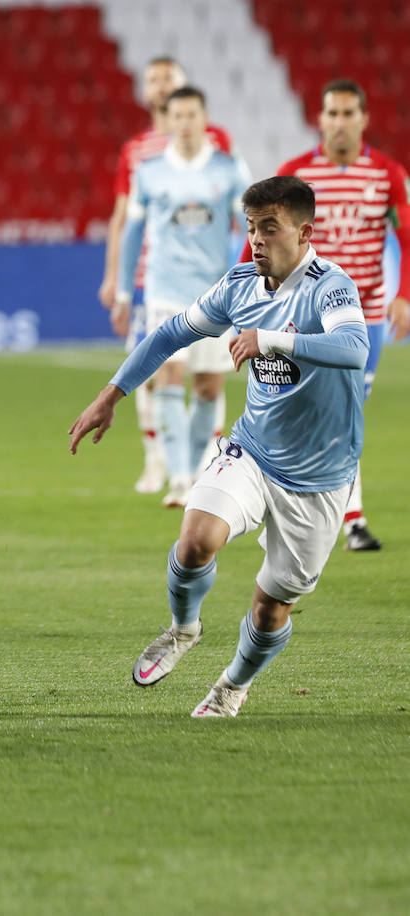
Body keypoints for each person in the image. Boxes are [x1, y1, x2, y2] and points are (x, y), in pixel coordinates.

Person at [70, 175, 367, 717]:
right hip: (254, 452)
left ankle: (232, 684)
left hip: (321, 477)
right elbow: (169, 335)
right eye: (251, 227)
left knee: (272, 606)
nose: (256, 240)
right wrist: (110, 395)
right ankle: (184, 629)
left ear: (304, 233)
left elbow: (353, 346)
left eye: (269, 229)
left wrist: (271, 339)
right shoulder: (239, 285)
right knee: (194, 542)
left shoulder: (331, 286)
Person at [266, 79, 410, 551]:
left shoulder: (388, 174)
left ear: (364, 119)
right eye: (332, 113)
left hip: (362, 317)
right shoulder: (295, 174)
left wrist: (403, 294)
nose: (340, 122)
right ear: (320, 119)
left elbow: (407, 238)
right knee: (299, 408)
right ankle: (327, 513)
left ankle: (348, 519)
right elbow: (266, 239)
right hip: (305, 313)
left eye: (349, 113)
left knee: (344, 411)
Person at [99, 56, 233, 495]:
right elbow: (123, 218)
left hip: (206, 281)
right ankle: (159, 460)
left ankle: (202, 457)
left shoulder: (216, 145)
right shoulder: (136, 151)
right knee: (155, 371)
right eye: (152, 79)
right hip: (150, 279)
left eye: (168, 79)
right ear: (145, 91)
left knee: (205, 375)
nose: (159, 86)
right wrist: (115, 280)